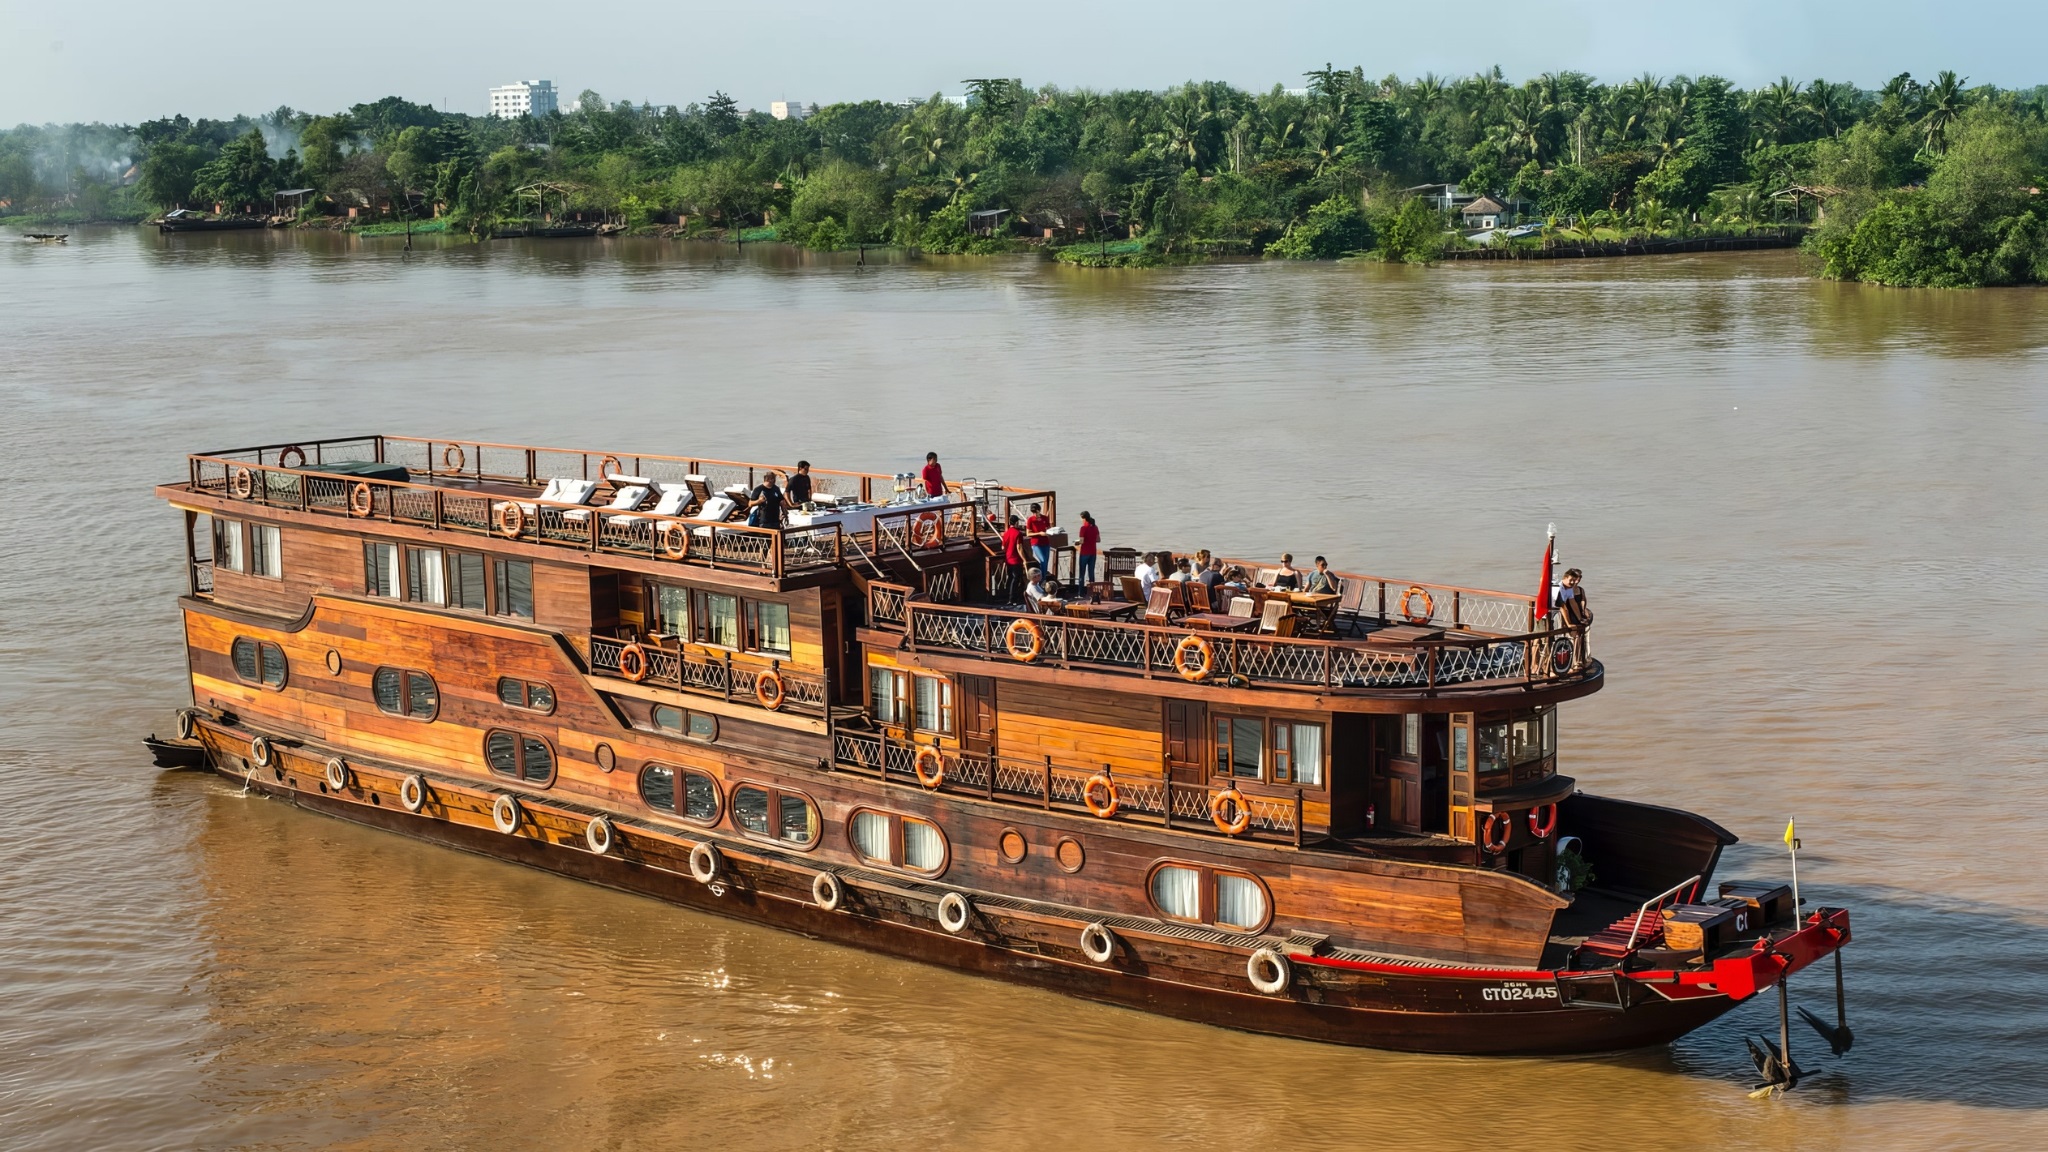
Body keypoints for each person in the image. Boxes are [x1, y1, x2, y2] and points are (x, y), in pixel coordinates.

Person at [1000, 515, 1027, 604]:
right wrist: (1024, 559)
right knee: (1016, 578)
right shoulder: (1018, 533)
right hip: (1015, 559)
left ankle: (1007, 595)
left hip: (1008, 558)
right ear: (1016, 523)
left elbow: (1003, 547)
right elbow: (1019, 547)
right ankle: (1012, 599)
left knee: (1010, 577)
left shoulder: (1006, 533)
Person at [1076, 511, 1100, 590]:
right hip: (1093, 552)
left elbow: (1082, 541)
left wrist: (1077, 542)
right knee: (1091, 572)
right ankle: (1092, 591)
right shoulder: (1095, 527)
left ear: (1084, 518)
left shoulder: (1083, 528)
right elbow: (1098, 540)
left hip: (1085, 552)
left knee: (1082, 573)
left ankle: (1081, 592)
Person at [1026, 503, 1053, 575]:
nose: (1035, 514)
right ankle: (1041, 579)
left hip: (1046, 542)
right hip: (1036, 543)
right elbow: (1028, 533)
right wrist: (1039, 533)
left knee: (1046, 561)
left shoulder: (1045, 518)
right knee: (1042, 560)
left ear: (1039, 510)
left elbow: (1049, 528)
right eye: (1033, 512)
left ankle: (1043, 578)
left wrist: (1050, 531)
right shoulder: (1030, 520)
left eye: (1036, 512)